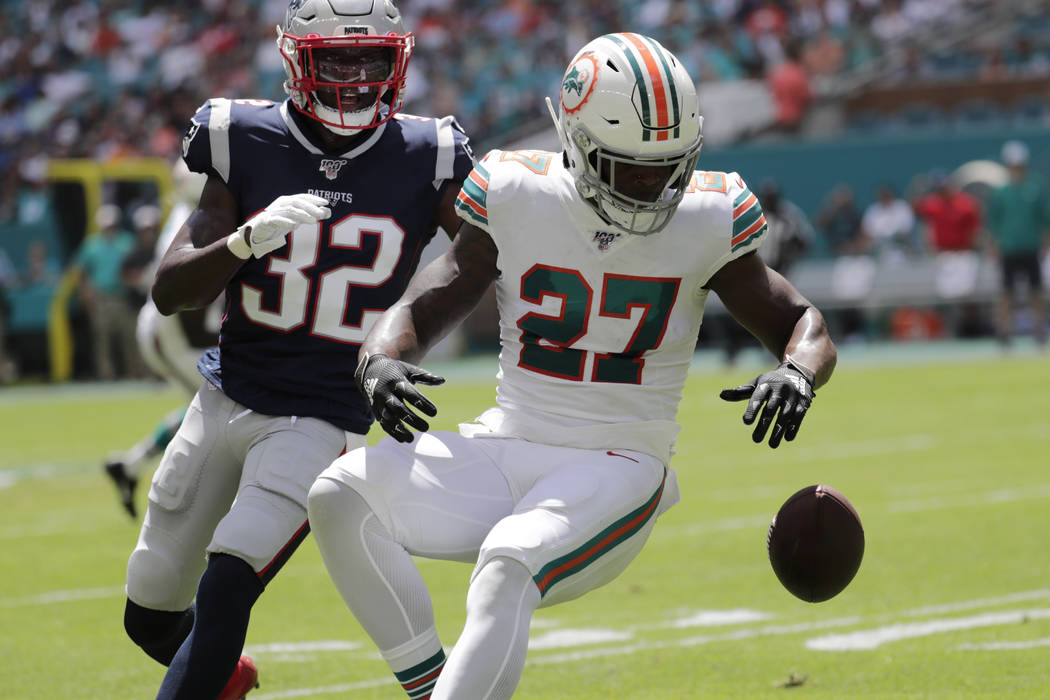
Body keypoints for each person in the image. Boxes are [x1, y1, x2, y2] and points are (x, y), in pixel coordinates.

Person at [307, 33, 837, 700]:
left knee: (508, 563)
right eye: (633, 168)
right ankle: (435, 687)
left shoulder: (707, 213)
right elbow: (432, 296)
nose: (656, 184)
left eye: (670, 165)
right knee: (339, 496)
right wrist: (380, 359)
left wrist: (796, 372)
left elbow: (803, 324)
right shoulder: (514, 192)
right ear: (577, 142)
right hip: (509, 441)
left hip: (619, 461)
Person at [120, 2, 474, 699]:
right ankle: (229, 682)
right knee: (151, 614)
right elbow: (168, 291)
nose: (355, 75)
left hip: (321, 416)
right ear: (295, 59)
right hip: (225, 396)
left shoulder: (428, 151)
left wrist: (405, 334)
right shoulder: (242, 136)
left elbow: (479, 261)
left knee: (226, 590)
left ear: (397, 61)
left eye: (372, 58)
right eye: (336, 59)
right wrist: (244, 241)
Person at [103, 164, 218, 519]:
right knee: (215, 408)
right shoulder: (198, 221)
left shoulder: (194, 214)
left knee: (209, 406)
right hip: (171, 334)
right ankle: (175, 496)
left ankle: (132, 466)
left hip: (174, 332)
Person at [72, 203, 147, 380]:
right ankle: (106, 376)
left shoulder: (127, 241)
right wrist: (86, 292)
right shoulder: (92, 245)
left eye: (112, 225)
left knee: (130, 338)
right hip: (101, 298)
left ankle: (135, 374)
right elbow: (80, 271)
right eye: (106, 226)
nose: (109, 229)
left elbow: (137, 265)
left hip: (124, 297)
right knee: (102, 341)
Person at [985, 140, 1049, 348]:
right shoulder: (1001, 192)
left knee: (1035, 291)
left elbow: (1044, 220)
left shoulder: (1035, 187)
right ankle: (1005, 332)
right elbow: (993, 222)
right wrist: (994, 245)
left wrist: (1045, 244)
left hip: (1030, 247)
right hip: (1009, 248)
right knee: (1006, 292)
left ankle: (1039, 330)